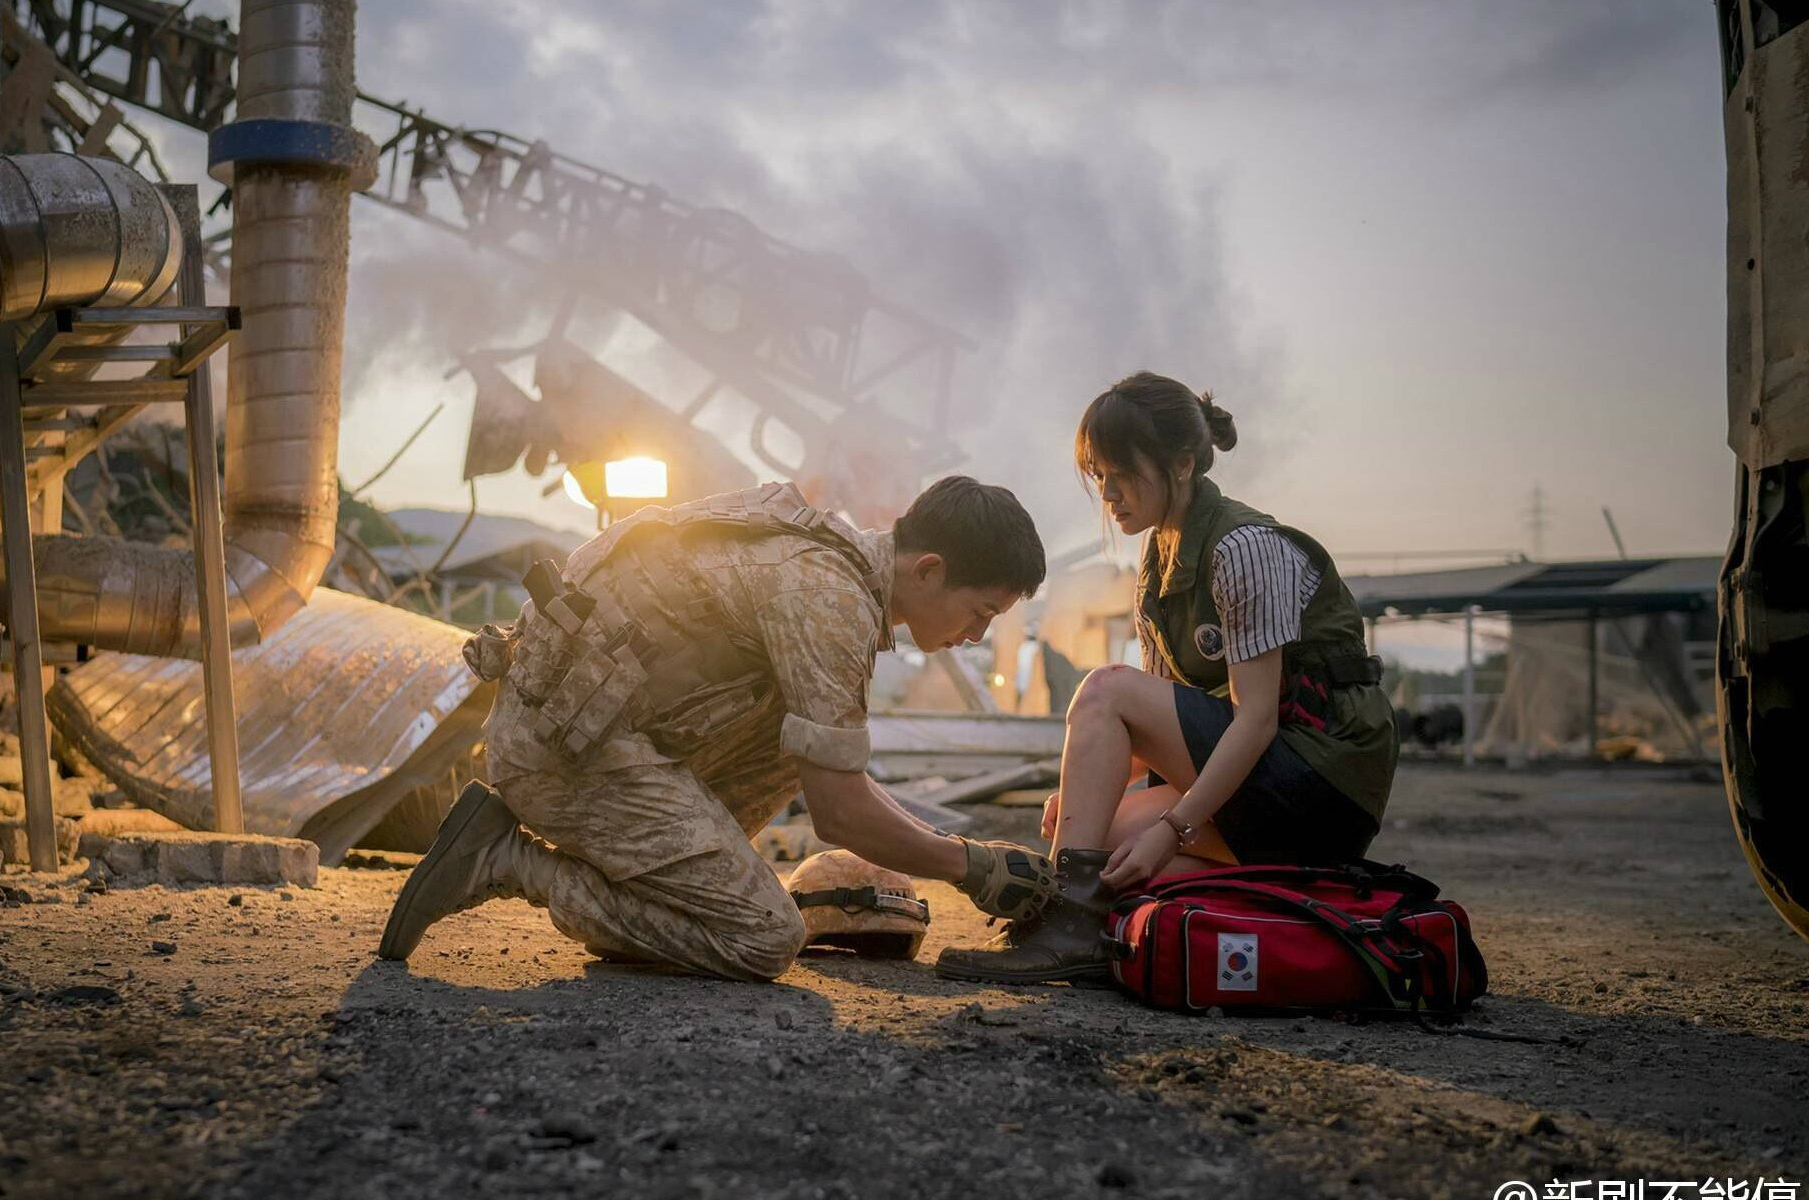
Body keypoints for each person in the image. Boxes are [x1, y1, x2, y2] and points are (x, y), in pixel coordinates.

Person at [379, 476, 1057, 982]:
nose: (977, 636)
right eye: (981, 613)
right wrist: (971, 866)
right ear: (929, 569)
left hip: (596, 733)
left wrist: (959, 852)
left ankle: (653, 874)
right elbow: (841, 813)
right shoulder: (829, 598)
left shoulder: (830, 561)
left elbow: (834, 778)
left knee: (813, 738)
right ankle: (504, 859)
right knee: (760, 936)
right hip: (561, 752)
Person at [938, 373, 1397, 983]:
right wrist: (1081, 794)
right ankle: (1080, 928)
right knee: (1107, 856)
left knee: (1105, 688)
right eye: (1098, 476)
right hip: (1265, 791)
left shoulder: (1244, 548)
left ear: (1182, 464)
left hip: (1321, 786)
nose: (1108, 494)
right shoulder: (1158, 564)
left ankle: (1059, 926)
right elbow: (1157, 727)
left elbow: (1255, 720)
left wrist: (1173, 828)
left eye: (1121, 473)